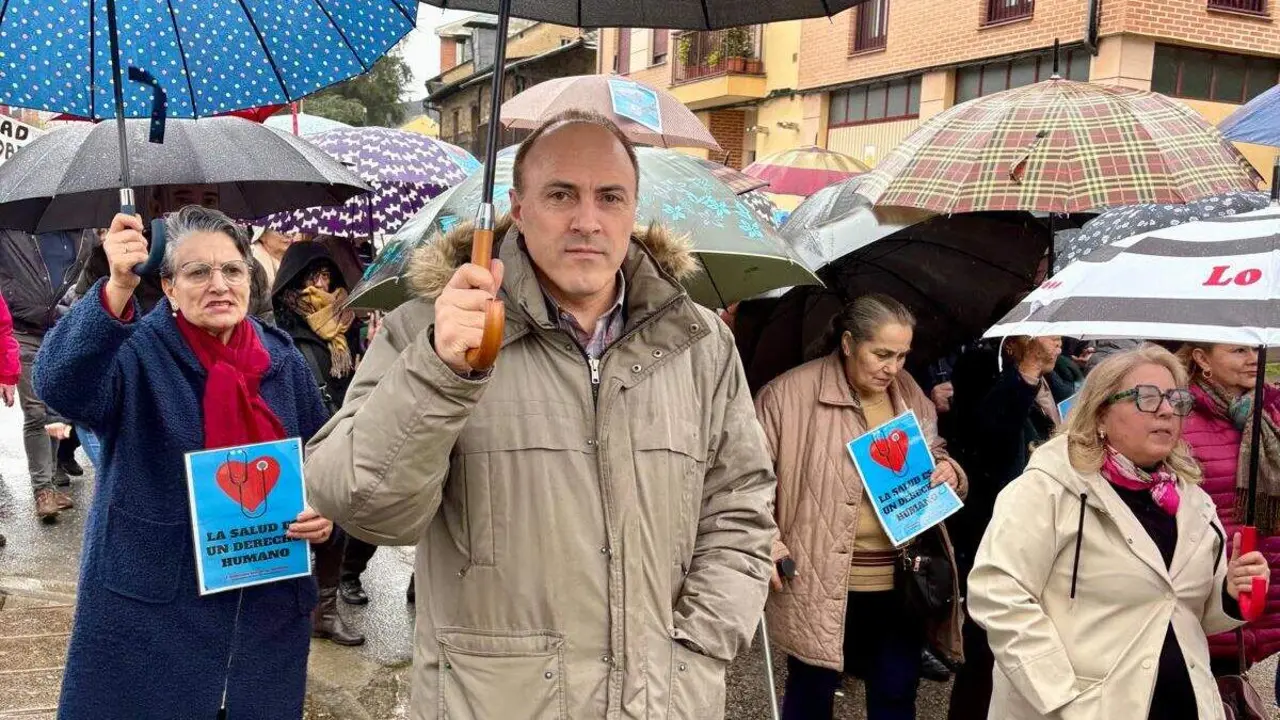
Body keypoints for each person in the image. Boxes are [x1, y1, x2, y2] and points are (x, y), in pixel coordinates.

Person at [304, 109, 776, 719]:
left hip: (664, 702)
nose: (587, 220)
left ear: (633, 210)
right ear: (518, 208)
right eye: (561, 194)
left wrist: (699, 647)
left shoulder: (700, 344)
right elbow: (364, 505)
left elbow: (740, 506)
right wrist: (440, 373)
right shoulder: (430, 330)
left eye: (610, 197)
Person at [35, 206, 335, 718]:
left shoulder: (282, 360)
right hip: (153, 607)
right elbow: (60, 385)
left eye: (232, 270)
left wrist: (325, 514)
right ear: (169, 287)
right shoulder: (137, 351)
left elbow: (324, 458)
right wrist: (118, 287)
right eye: (198, 272)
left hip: (265, 606)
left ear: (250, 279)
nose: (219, 285)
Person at [968, 346, 1270, 720]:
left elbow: (1182, 610)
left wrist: (1229, 591)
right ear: (1100, 413)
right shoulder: (1046, 489)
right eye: (1146, 397)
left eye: (1176, 399)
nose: (1166, 410)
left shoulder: (1191, 501)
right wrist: (1063, 698)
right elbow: (998, 595)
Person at [755, 294, 967, 720]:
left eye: (902, 356)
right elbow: (750, 482)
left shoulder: (907, 392)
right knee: (811, 694)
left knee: (896, 694)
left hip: (899, 579)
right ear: (849, 343)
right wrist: (769, 543)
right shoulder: (787, 395)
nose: (893, 368)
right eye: (882, 354)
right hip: (818, 580)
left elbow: (934, 449)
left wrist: (950, 471)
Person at [945, 334, 1067, 720]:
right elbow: (989, 441)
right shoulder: (979, 369)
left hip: (1056, 526)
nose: (1057, 342)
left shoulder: (1063, 374)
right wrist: (1027, 370)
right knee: (989, 645)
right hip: (998, 524)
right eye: (1047, 335)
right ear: (1014, 342)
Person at [270, 240, 365, 646]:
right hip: (299, 438)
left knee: (338, 525)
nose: (322, 284)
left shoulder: (346, 325)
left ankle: (325, 609)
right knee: (303, 526)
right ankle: (306, 607)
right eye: (312, 277)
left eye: (327, 275)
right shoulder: (283, 331)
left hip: (341, 432)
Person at [1178, 343, 1280, 679]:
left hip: (1268, 585)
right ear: (1202, 358)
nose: (1253, 359)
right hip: (1215, 593)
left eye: (1255, 349)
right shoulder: (1180, 420)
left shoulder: (1273, 410)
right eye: (1238, 351)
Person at [0, 227, 94, 520]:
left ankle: (51, 480)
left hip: (64, 328)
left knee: (57, 409)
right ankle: (43, 490)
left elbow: (90, 275)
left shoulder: (84, 233)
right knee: (36, 411)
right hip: (22, 329)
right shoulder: (10, 229)